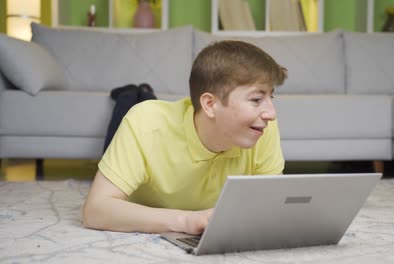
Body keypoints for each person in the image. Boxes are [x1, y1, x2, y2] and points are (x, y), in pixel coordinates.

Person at [82, 40, 288, 235]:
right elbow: (95, 211)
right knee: (130, 104)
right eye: (257, 99)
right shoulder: (146, 124)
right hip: (149, 132)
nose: (272, 113)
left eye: (271, 97)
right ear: (210, 104)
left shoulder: (260, 128)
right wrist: (185, 220)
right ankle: (135, 92)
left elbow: (269, 208)